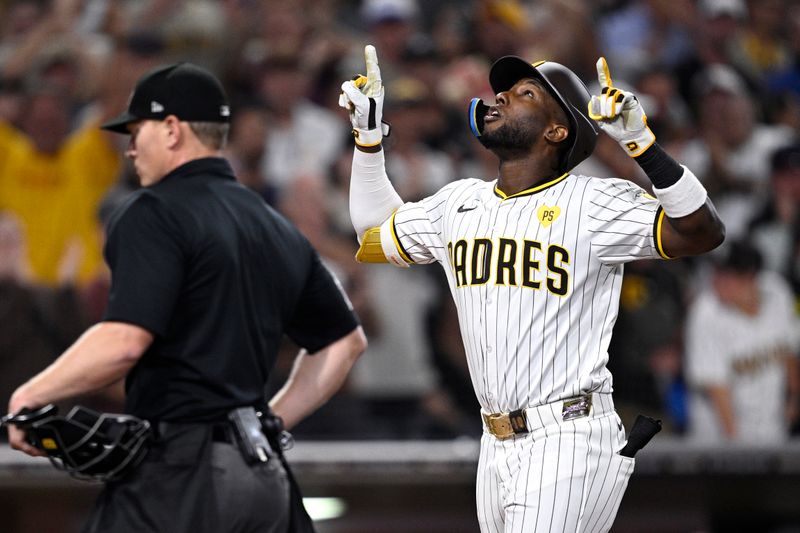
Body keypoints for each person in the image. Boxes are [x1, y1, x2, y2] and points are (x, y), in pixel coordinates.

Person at [339, 46, 725, 532]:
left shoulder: (593, 201)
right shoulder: (461, 201)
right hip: (494, 440)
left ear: (556, 130)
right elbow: (375, 234)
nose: (500, 96)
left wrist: (642, 146)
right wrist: (368, 139)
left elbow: (703, 232)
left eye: (524, 94)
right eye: (503, 89)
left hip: (569, 434)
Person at [7, 62, 367, 533]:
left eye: (138, 131)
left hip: (180, 473)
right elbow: (345, 342)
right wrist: (270, 422)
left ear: (173, 130)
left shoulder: (151, 211)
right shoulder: (273, 223)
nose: (130, 148)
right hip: (263, 474)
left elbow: (124, 342)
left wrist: (32, 393)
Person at [685, 240, 800, 444]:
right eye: (716, 272)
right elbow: (718, 390)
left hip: (773, 434)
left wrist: (794, 399)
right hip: (719, 445)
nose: (716, 281)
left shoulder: (777, 292)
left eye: (726, 275)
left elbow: (790, 348)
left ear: (751, 277)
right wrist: (739, 456)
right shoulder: (706, 314)